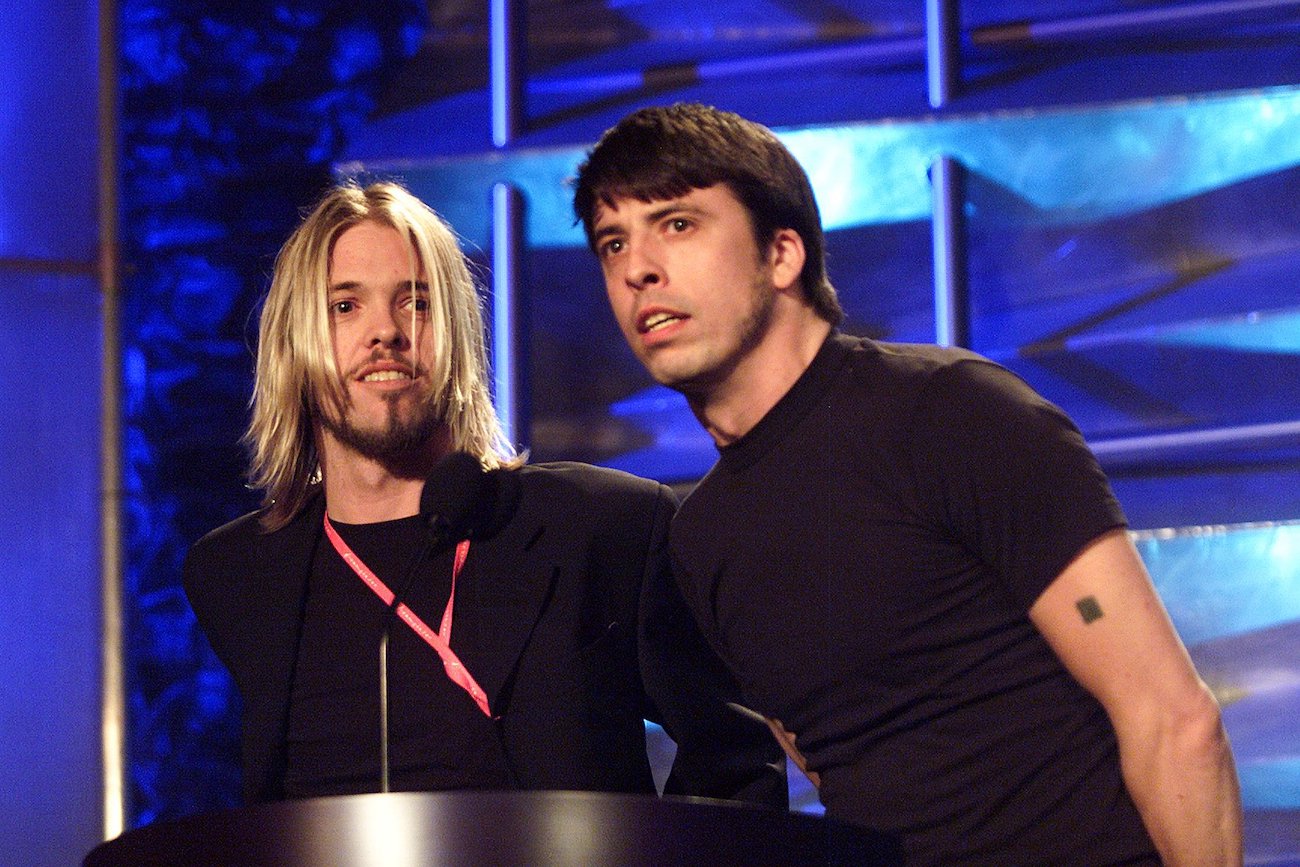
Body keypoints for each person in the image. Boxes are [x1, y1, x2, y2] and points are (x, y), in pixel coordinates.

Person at [573, 103, 1242, 865]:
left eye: (679, 224)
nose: (637, 268)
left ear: (783, 254)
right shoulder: (700, 539)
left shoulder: (951, 411)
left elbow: (1174, 718)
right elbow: (828, 770)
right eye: (612, 241)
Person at [182, 180, 786, 807]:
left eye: (416, 303)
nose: (385, 332)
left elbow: (736, 765)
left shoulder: (608, 529)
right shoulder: (238, 577)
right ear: (293, 343)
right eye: (344, 307)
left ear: (458, 335)